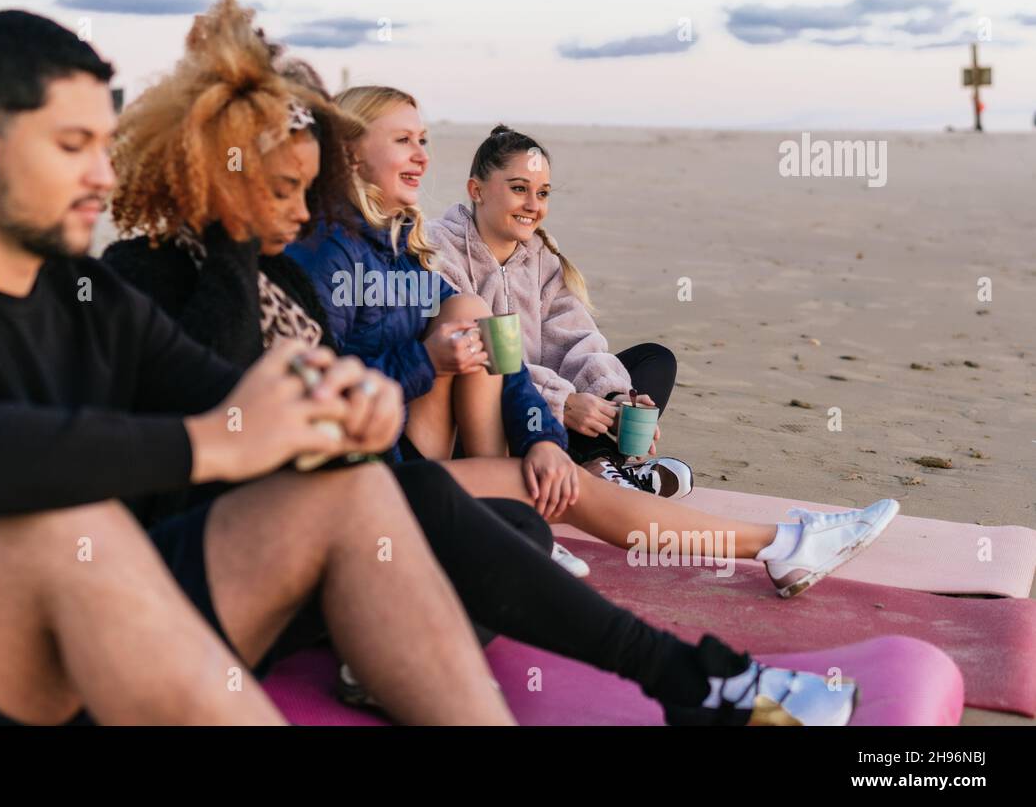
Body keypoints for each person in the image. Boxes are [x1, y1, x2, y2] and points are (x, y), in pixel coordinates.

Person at [102, 0, 863, 724]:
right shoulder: (183, 275)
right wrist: (404, 373)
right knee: (449, 504)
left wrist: (536, 427)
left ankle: (670, 669)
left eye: (309, 187)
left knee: (517, 523)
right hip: (226, 557)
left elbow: (501, 358)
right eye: (281, 189)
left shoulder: (379, 257)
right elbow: (230, 415)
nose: (301, 210)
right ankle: (705, 669)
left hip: (345, 508)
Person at [0, 8, 514, 726]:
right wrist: (213, 441)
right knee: (63, 532)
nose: (103, 175)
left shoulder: (90, 298)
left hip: (78, 656)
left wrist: (339, 405)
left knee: (346, 492)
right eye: (70, 145)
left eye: (104, 144)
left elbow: (228, 394)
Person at [289, 85, 900, 598]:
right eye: (403, 140)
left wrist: (542, 437)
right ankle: (783, 544)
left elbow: (516, 358)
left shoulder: (402, 249)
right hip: (377, 479)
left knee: (493, 326)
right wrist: (430, 361)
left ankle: (525, 502)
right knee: (559, 469)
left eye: (424, 140)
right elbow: (316, 399)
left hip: (436, 452)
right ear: (347, 152)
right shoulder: (330, 254)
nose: (421, 154)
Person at [429, 124, 693, 497]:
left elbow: (577, 339)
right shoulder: (439, 252)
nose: (534, 206)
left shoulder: (542, 260)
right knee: (503, 397)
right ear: (477, 191)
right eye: (519, 189)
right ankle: (604, 468)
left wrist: (613, 397)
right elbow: (480, 360)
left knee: (654, 361)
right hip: (478, 421)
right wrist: (561, 402)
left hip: (545, 409)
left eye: (543, 193)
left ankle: (595, 466)